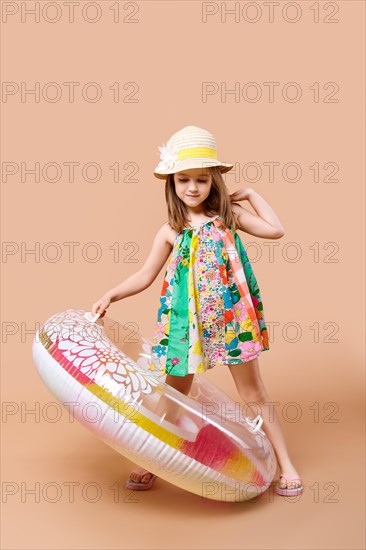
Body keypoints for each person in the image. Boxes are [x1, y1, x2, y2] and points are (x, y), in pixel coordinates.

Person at [91, 125, 304, 496]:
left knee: (253, 393)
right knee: (174, 394)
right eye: (183, 180)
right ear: (172, 183)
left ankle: (286, 464)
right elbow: (145, 274)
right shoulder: (171, 230)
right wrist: (111, 295)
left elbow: (276, 230)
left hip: (231, 321)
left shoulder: (229, 216)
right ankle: (150, 458)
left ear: (214, 181)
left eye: (202, 180)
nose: (192, 188)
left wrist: (251, 194)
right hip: (187, 326)